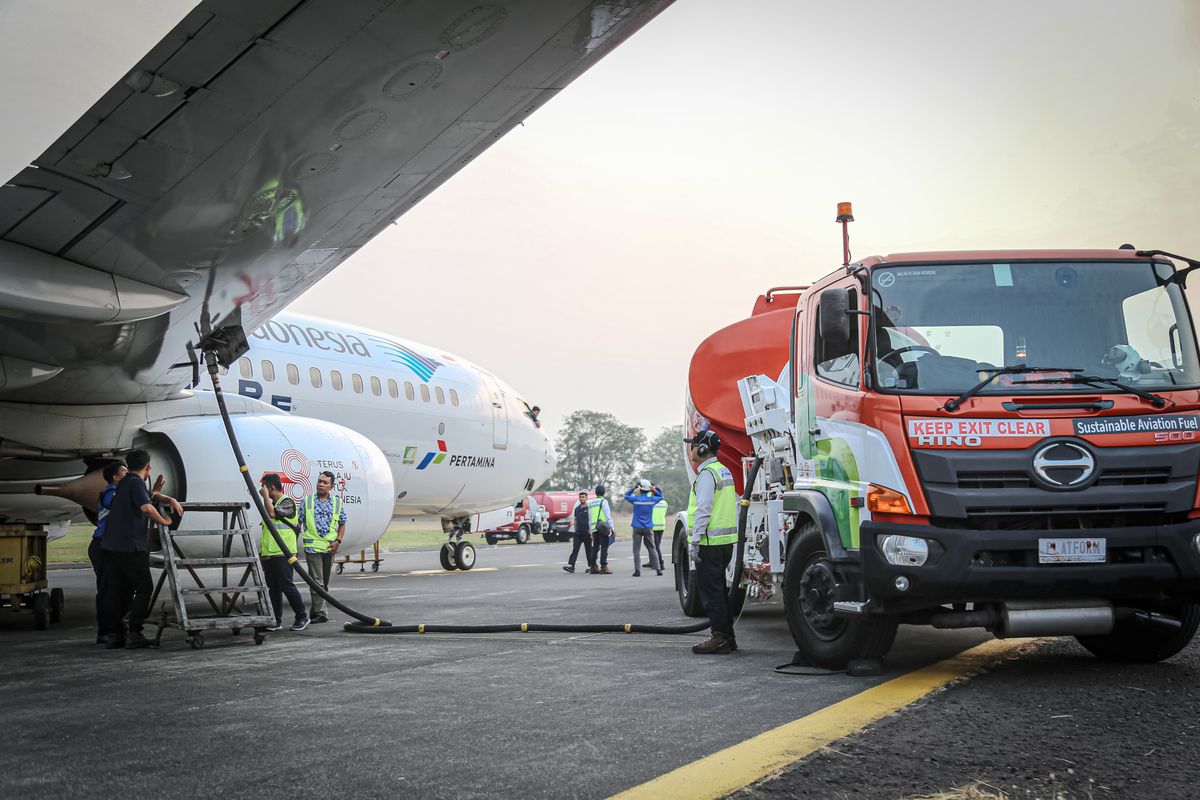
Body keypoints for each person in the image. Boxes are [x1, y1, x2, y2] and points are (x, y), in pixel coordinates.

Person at [100, 449, 183, 649]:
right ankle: (135, 632)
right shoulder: (136, 482)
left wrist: (168, 499)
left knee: (117, 590)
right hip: (130, 547)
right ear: (148, 467)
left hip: (111, 546)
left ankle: (115, 634)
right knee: (145, 587)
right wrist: (164, 520)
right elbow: (146, 506)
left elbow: (150, 496)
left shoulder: (125, 483)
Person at [684, 430, 739, 654]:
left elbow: (703, 509)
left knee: (711, 593)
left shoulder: (707, 474)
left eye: (694, 445)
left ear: (704, 448)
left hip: (709, 543)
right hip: (724, 543)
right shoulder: (723, 471)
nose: (692, 449)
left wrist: (695, 541)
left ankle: (719, 637)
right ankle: (728, 637)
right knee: (719, 591)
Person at [259, 473, 309, 632]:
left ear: (271, 488)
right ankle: (276, 620)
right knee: (272, 588)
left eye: (265, 488)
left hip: (283, 554)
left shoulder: (288, 502)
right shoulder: (272, 504)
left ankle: (302, 616)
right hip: (270, 554)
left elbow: (273, 514)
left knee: (286, 586)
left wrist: (265, 497)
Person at [299, 470, 347, 624]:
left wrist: (338, 541)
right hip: (313, 548)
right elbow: (297, 523)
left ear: (331, 486)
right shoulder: (307, 502)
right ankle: (321, 613)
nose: (321, 484)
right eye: (319, 481)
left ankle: (315, 610)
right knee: (317, 582)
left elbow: (342, 523)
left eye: (325, 482)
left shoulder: (337, 503)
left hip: (329, 548)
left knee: (324, 583)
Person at [88, 462, 127, 644]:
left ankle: (113, 628)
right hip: (102, 546)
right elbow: (125, 506)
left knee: (115, 589)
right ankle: (104, 631)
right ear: (115, 477)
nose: (128, 473)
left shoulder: (118, 492)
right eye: (124, 471)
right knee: (106, 590)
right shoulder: (110, 493)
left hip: (109, 545)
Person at [624, 479, 663, 576]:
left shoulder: (636, 499)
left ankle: (637, 570)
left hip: (637, 527)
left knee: (636, 550)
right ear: (649, 490)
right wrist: (654, 490)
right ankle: (658, 569)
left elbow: (626, 496)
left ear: (640, 489)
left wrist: (633, 488)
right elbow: (661, 497)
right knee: (652, 548)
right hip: (648, 527)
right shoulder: (651, 500)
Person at [562, 491, 595, 573]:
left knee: (589, 551)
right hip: (578, 533)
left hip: (587, 533)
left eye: (583, 497)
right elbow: (575, 520)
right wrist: (575, 530)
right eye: (580, 497)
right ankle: (571, 566)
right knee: (575, 549)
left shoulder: (589, 509)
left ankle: (592, 566)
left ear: (586, 498)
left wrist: (592, 531)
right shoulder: (577, 509)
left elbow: (591, 520)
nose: (581, 498)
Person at [588, 485, 616, 574]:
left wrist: (590, 530)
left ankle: (593, 566)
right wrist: (612, 527)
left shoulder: (591, 503)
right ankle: (604, 567)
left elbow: (589, 518)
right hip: (602, 527)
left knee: (595, 547)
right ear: (603, 493)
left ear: (595, 493)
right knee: (604, 547)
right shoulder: (603, 501)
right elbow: (608, 516)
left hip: (594, 528)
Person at [645, 495, 668, 574]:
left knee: (654, 546)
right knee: (655, 545)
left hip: (653, 527)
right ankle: (652, 561)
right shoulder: (664, 503)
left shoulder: (652, 502)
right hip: (661, 526)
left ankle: (661, 563)